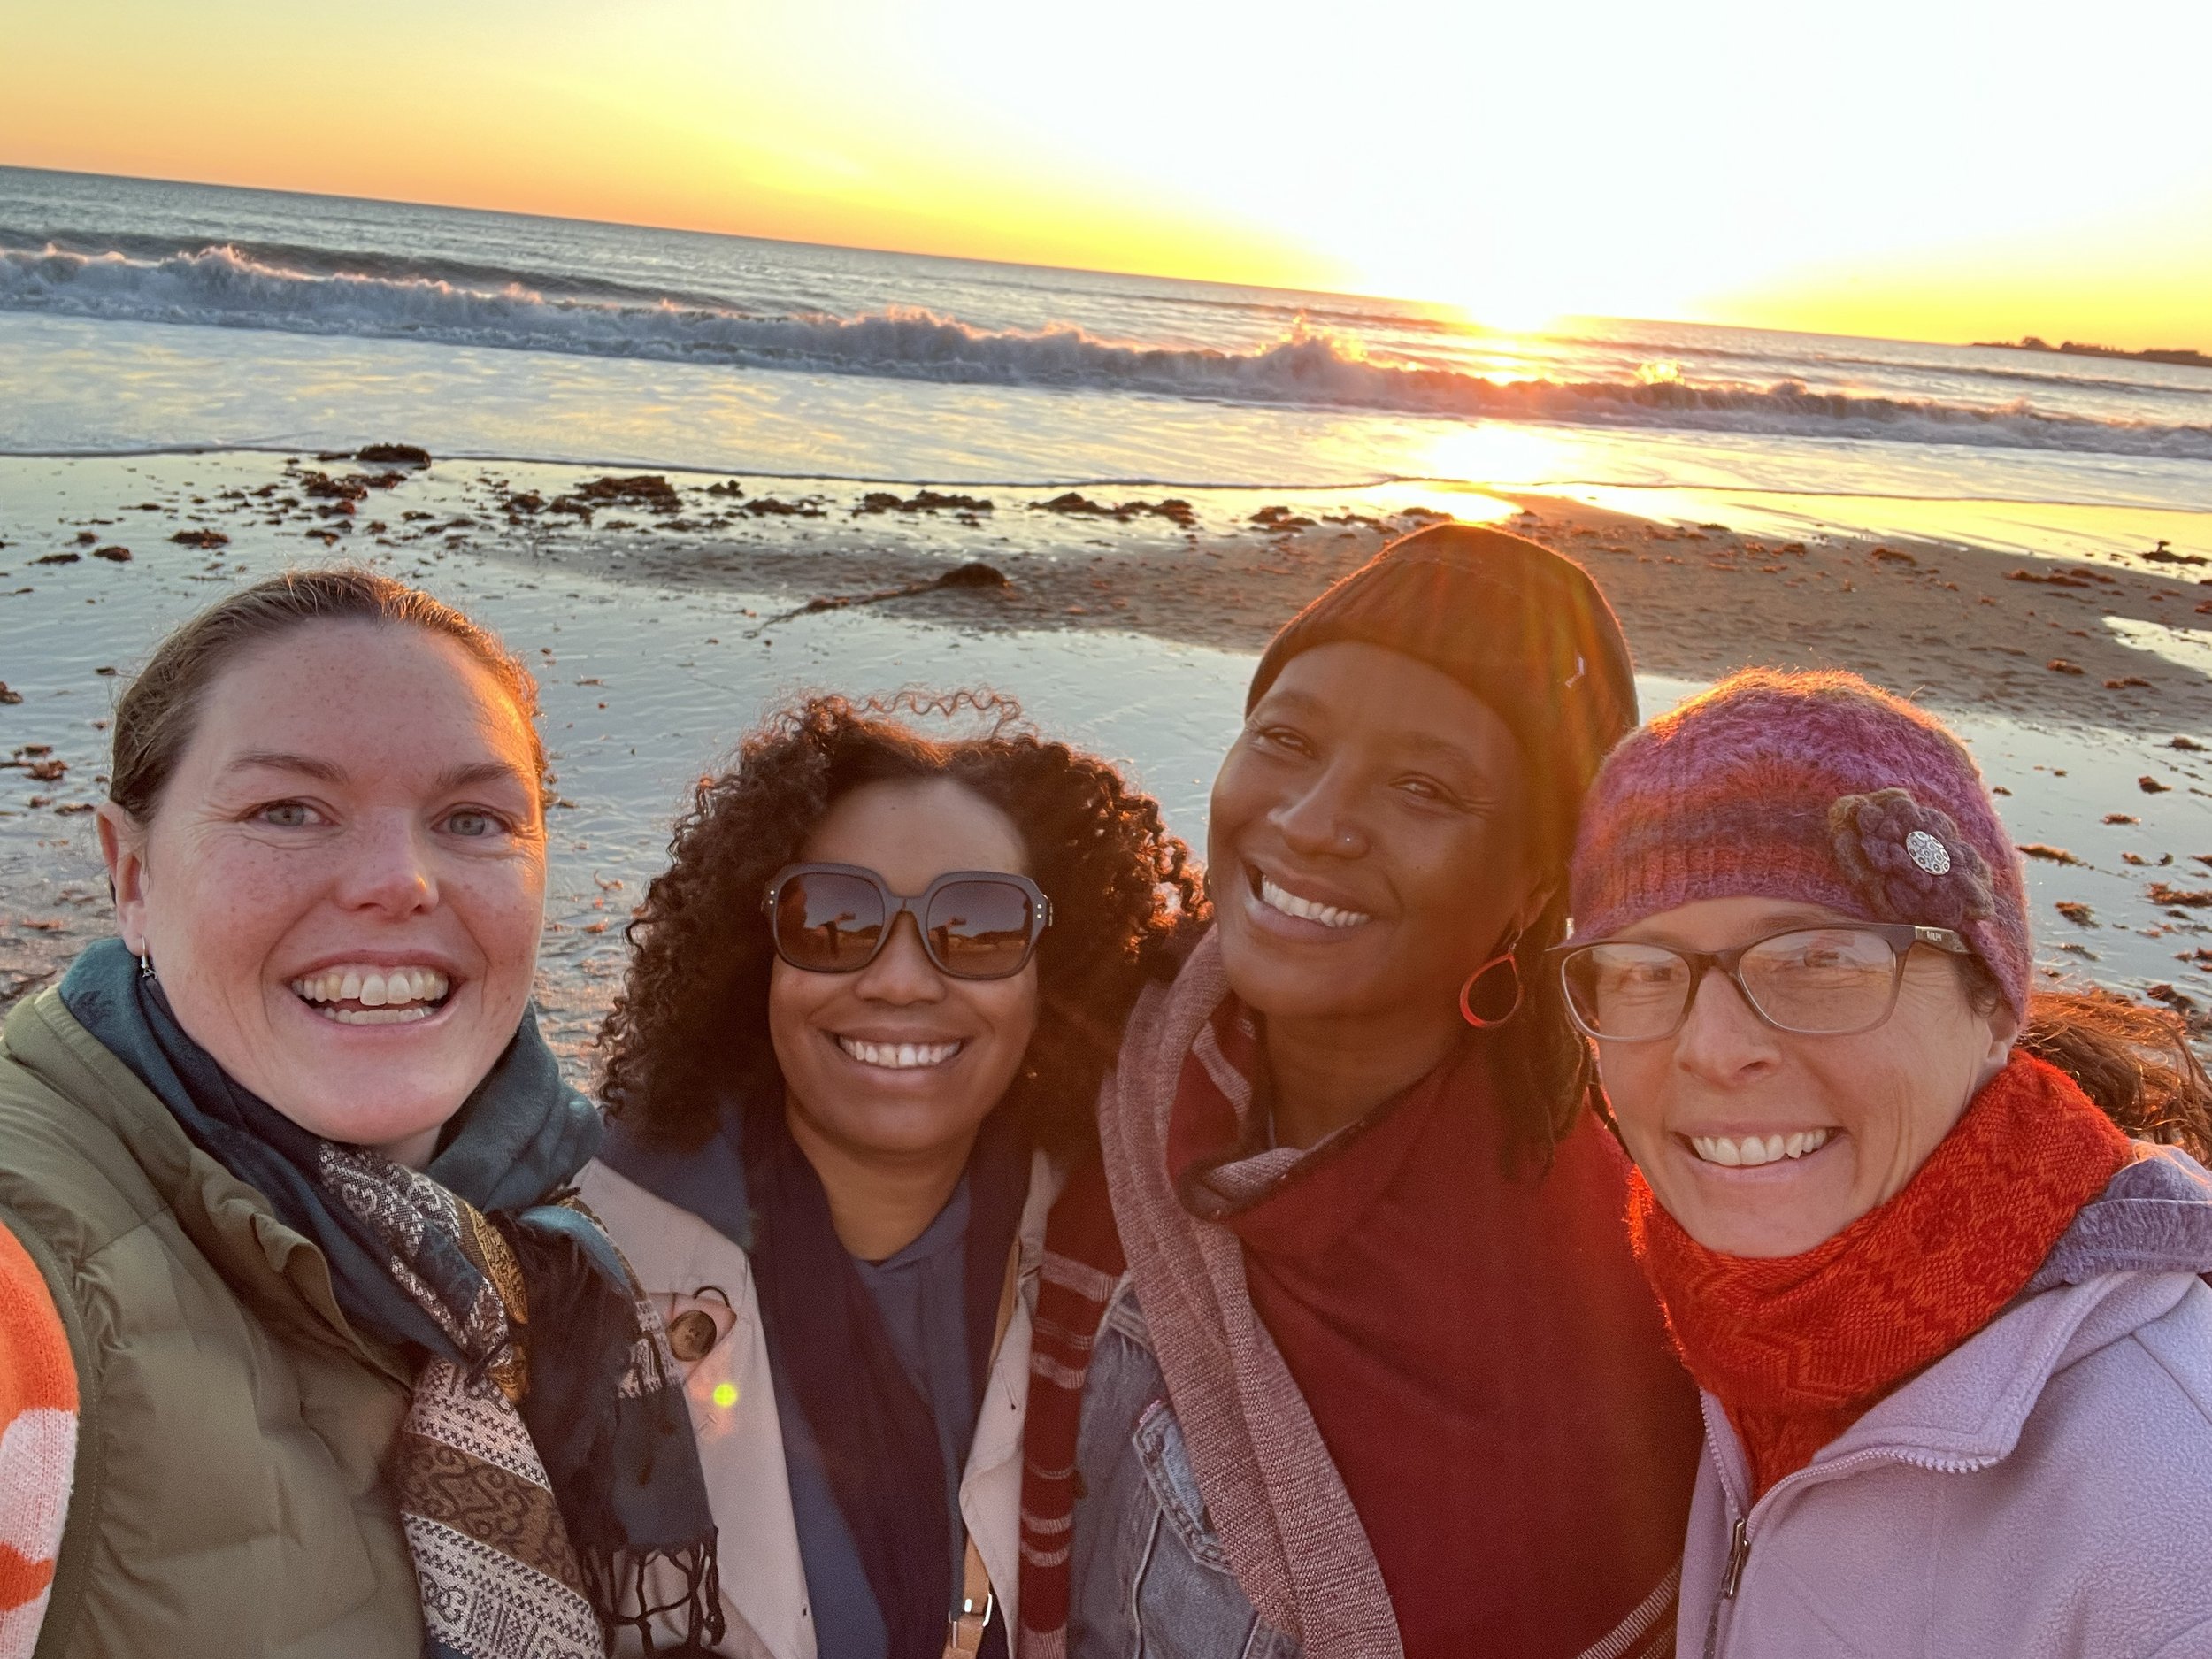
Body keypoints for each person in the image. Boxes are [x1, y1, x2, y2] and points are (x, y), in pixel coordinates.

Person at [0, 569, 718, 1659]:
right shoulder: (32, 1275)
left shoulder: (539, 1238)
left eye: (473, 819)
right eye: (289, 811)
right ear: (132, 873)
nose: (400, 881)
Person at [1021, 525, 1705, 1659]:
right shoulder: (1086, 1067)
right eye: (1286, 740)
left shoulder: (1606, 1305)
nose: (1311, 822)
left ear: (1534, 885)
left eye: (1424, 788)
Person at [1556, 668, 2212, 1657]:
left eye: (1817, 958)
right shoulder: (1716, 1317)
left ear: (1992, 1003)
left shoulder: (2166, 1507)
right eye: (1645, 971)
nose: (1710, 1048)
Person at [580, 693, 1204, 1659]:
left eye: (979, 926)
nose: (902, 979)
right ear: (757, 959)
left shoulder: (1124, 1264)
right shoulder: (582, 1257)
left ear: (1058, 971)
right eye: (834, 918)